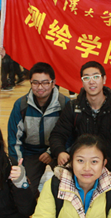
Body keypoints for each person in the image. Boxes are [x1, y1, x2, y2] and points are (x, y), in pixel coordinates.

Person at [49, 61, 111, 187]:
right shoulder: (73, 107)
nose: (91, 81)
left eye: (96, 76)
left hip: (110, 170)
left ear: (104, 79)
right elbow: (57, 135)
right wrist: (60, 151)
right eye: (86, 78)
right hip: (81, 170)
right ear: (82, 82)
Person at [8, 62, 69, 193]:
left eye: (45, 83)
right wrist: (19, 167)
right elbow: (14, 140)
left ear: (53, 83)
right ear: (30, 83)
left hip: (58, 152)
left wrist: (51, 152)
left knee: (66, 187)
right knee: (24, 190)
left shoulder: (65, 104)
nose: (40, 87)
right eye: (35, 83)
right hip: (30, 153)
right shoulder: (21, 105)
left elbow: (70, 136)